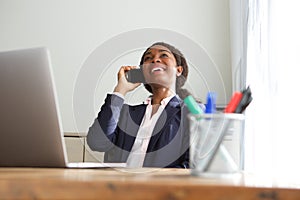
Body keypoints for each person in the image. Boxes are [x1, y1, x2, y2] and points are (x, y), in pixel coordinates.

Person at [87, 42, 202, 168]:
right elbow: (97, 142)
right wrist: (120, 90)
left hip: (160, 187)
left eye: (164, 55)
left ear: (178, 70)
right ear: (143, 73)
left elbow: (192, 166)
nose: (155, 59)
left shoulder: (192, 112)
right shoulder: (125, 113)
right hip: (119, 184)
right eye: (148, 58)